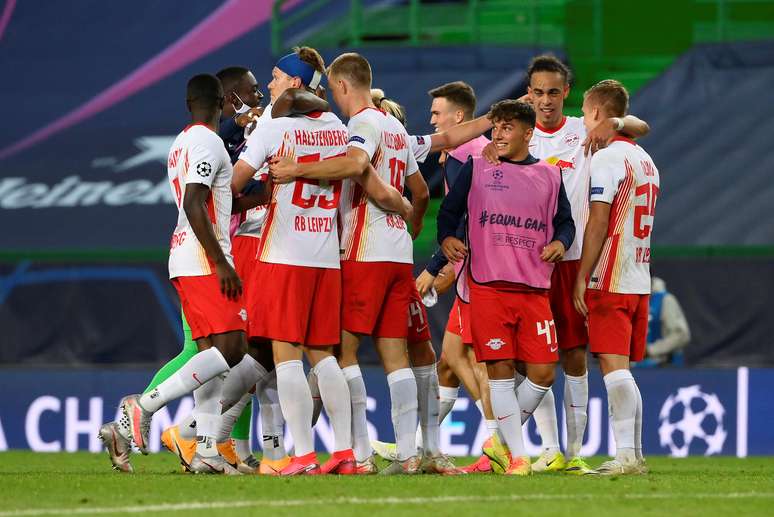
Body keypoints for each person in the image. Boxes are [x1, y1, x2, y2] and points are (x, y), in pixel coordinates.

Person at [235, 49, 412, 476]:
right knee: (326, 357)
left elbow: (236, 185)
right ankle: (346, 452)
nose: (271, 84)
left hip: (283, 254)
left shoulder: (273, 130)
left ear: (295, 83)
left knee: (287, 358)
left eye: (276, 77)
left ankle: (301, 456)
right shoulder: (338, 128)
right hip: (326, 257)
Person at [484, 55, 650, 474]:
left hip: (574, 259)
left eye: (553, 92)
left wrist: (614, 124)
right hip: (528, 261)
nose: (545, 101)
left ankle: (573, 454)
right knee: (530, 358)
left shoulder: (584, 130)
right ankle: (547, 448)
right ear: (528, 92)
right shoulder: (517, 136)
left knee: (574, 355)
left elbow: (640, 127)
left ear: (566, 93)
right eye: (537, 92)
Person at [115, 74, 255, 476]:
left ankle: (207, 451)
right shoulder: (207, 141)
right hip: (202, 258)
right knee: (232, 349)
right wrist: (221, 262)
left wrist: (262, 192)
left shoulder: (181, 143)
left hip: (187, 256)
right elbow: (195, 203)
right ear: (223, 101)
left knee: (215, 356)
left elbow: (214, 196)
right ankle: (142, 406)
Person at [439, 99, 575, 475]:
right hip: (489, 286)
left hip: (533, 288)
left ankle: (498, 442)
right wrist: (446, 239)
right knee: (498, 371)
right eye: (495, 127)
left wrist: (561, 243)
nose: (498, 134)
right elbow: (450, 211)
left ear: (527, 133)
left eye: (507, 128)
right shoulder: (478, 167)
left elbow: (566, 223)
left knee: (544, 373)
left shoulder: (549, 176)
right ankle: (517, 457)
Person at [573, 79, 660, 475]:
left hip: (610, 275)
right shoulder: (646, 160)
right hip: (639, 274)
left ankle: (625, 456)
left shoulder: (607, 159)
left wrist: (581, 276)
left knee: (613, 368)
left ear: (594, 113)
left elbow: (598, 221)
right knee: (622, 368)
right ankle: (635, 453)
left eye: (584, 111)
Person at [641, 277, 690, 366]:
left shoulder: (666, 300)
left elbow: (681, 335)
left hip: (665, 368)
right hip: (634, 369)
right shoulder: (627, 299)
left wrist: (650, 350)